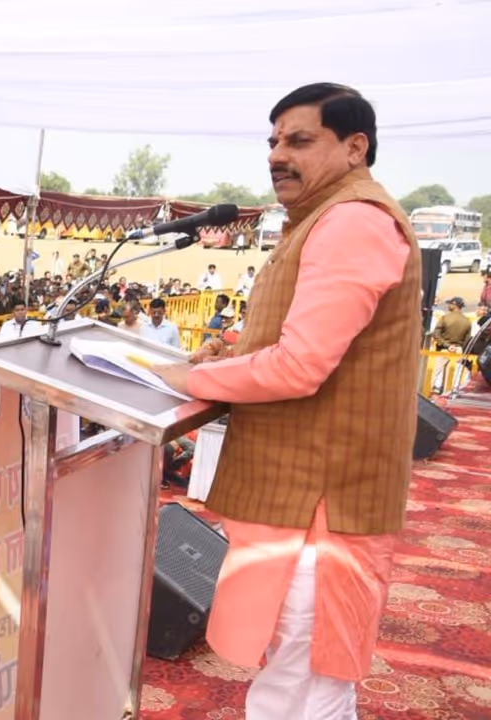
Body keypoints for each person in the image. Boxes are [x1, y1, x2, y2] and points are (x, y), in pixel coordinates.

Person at [153, 83, 419, 719]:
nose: (277, 154)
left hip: (320, 509)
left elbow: (301, 367)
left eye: (299, 140)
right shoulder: (327, 218)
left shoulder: (352, 221)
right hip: (306, 499)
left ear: (355, 147)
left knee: (304, 685)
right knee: (303, 677)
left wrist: (184, 381)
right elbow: (315, 342)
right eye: (273, 141)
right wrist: (237, 352)